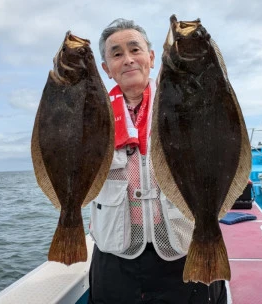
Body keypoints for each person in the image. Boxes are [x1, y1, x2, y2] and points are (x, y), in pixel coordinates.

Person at [88, 18, 227, 304]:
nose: (127, 60)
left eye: (135, 49)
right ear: (106, 69)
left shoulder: (183, 96)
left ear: (152, 58)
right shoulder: (91, 114)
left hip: (185, 248)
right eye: (116, 54)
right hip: (116, 259)